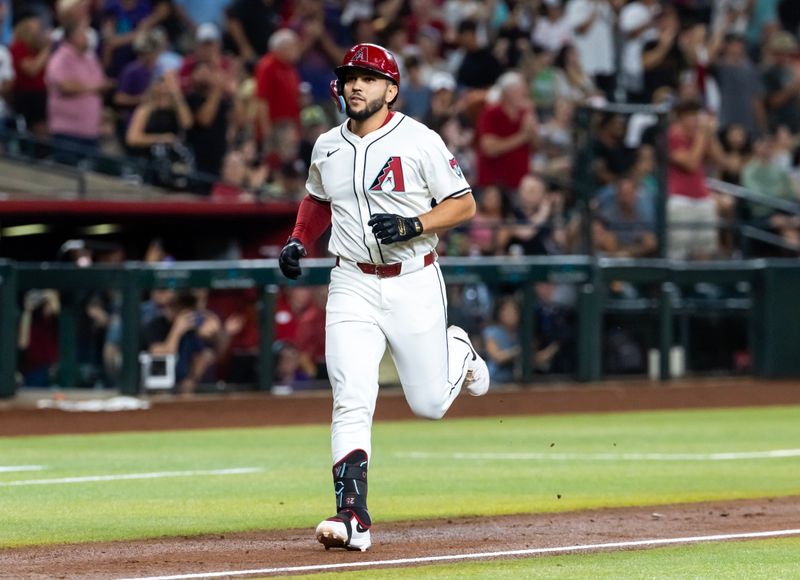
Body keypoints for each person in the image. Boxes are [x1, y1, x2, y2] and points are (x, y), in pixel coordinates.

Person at [277, 42, 490, 552]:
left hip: (412, 278)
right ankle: (353, 517)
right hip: (351, 280)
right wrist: (299, 240)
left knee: (430, 403)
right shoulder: (327, 144)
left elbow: (464, 205)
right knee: (351, 396)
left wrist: (415, 222)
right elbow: (316, 198)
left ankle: (457, 349)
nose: (356, 84)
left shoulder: (420, 140)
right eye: (351, 76)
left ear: (391, 90)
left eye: (369, 78)